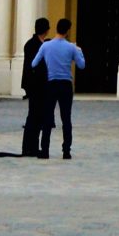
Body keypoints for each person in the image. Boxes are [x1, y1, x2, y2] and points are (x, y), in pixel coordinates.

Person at [28, 18, 86, 159]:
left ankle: (45, 150)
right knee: (66, 118)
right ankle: (66, 150)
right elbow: (82, 65)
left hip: (51, 83)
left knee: (47, 117)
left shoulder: (46, 46)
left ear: (56, 29)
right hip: (66, 84)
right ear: (67, 31)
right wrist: (80, 52)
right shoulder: (71, 47)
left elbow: (34, 63)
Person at [19, 17, 51, 157]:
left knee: (36, 117)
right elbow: (35, 67)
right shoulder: (35, 45)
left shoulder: (33, 43)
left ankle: (31, 146)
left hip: (36, 85)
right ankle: (29, 147)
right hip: (36, 85)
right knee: (34, 117)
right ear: (46, 30)